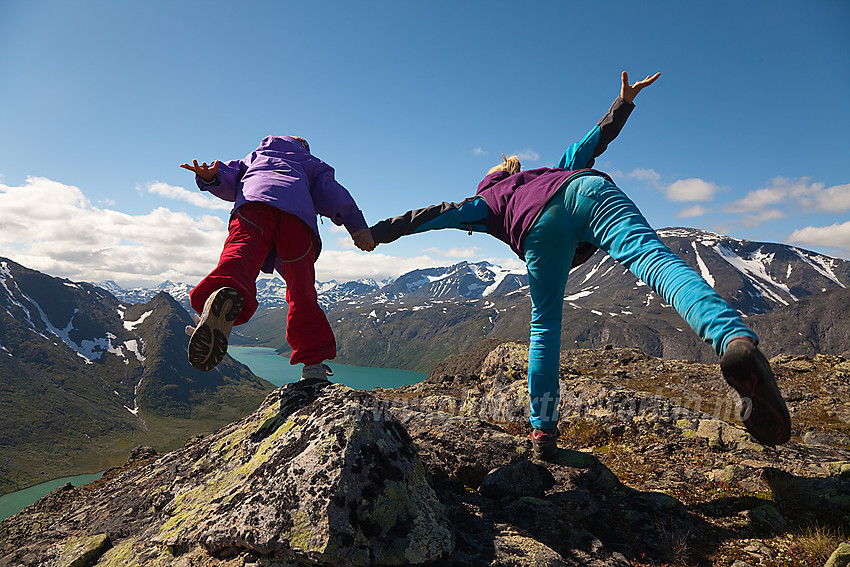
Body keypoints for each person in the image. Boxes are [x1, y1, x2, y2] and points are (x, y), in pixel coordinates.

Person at [368, 72, 791, 458]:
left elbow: (433, 214)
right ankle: (732, 339)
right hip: (583, 190)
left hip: (538, 233)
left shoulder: (484, 204)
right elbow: (593, 142)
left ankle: (543, 433)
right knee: (655, 262)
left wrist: (377, 232)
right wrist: (622, 103)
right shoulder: (550, 169)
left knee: (544, 326)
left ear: (486, 182)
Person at [180, 135, 375, 379]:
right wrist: (358, 227)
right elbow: (331, 192)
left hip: (253, 204)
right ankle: (313, 364)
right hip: (298, 219)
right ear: (304, 147)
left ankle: (220, 296)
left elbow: (227, 175)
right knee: (301, 291)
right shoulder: (310, 162)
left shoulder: (255, 156)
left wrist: (210, 177)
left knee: (240, 253)